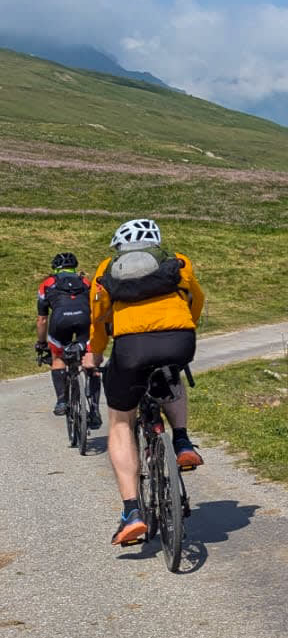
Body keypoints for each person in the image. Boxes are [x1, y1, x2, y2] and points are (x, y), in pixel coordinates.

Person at [89, 218, 206, 545]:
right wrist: (186, 327)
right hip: (179, 339)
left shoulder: (105, 270)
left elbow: (98, 318)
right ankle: (181, 441)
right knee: (172, 374)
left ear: (119, 248)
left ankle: (131, 513)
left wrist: (95, 353)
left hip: (131, 349)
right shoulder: (178, 262)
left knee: (121, 421)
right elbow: (196, 299)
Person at [35, 251, 102, 425]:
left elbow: (42, 319)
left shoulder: (47, 284)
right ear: (74, 267)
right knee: (91, 364)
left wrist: (41, 343)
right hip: (84, 319)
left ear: (55, 268)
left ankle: (62, 401)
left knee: (58, 358)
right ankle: (94, 409)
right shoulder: (85, 281)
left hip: (60, 322)